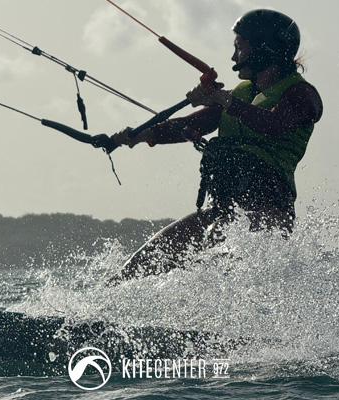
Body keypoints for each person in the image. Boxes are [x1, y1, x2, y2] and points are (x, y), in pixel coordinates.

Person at [109, 9, 323, 283]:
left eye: (240, 48)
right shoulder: (241, 94)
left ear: (264, 49)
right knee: (137, 269)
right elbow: (191, 125)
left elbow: (274, 124)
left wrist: (224, 101)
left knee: (230, 281)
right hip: (222, 210)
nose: (234, 58)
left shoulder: (302, 95)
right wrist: (139, 135)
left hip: (267, 214)